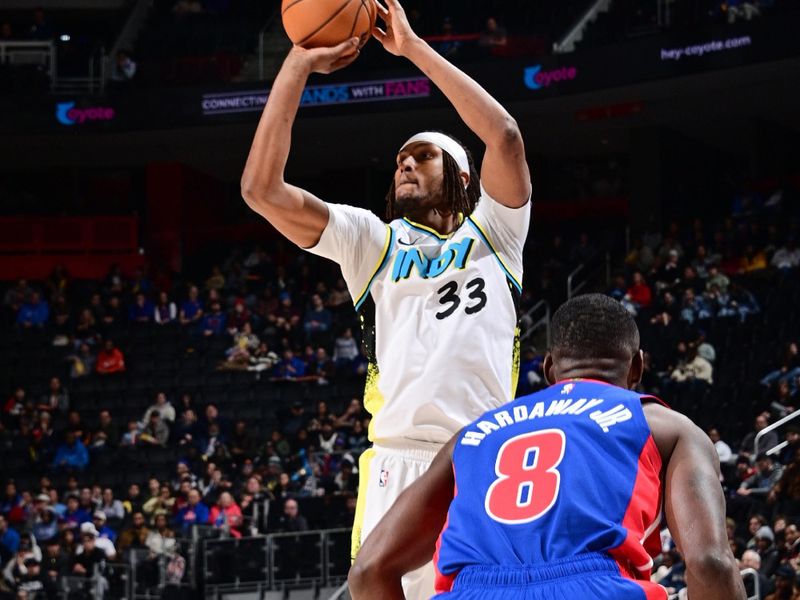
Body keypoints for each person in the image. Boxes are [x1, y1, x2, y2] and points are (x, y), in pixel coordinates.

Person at [241, 1, 531, 594]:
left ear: (462, 178)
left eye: (423, 155)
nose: (406, 163)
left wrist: (413, 49)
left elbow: (503, 135)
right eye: (401, 158)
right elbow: (260, 189)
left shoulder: (496, 234)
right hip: (396, 463)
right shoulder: (371, 241)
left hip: (482, 459)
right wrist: (296, 65)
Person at [349, 294, 745, 600]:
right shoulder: (666, 426)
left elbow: (368, 570)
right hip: (595, 587)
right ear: (637, 367)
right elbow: (710, 564)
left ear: (550, 368)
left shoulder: (474, 434)